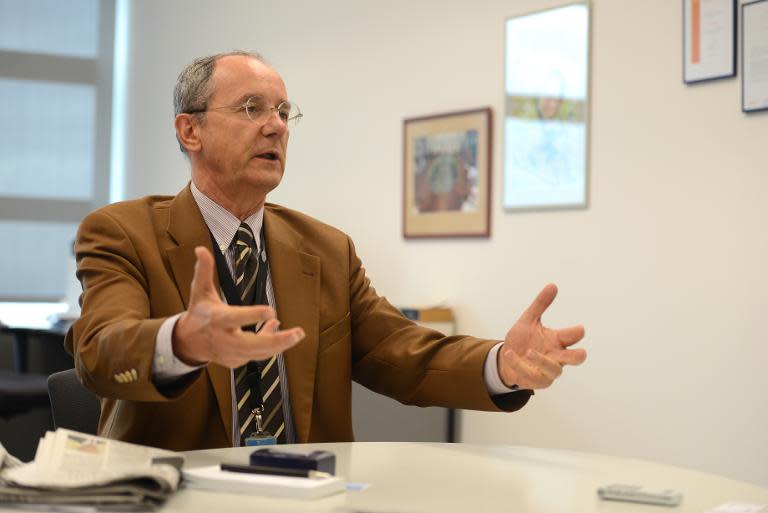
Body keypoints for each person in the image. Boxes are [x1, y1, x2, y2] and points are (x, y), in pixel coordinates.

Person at [65, 51, 587, 451]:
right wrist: (181, 340)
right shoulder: (122, 232)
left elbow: (405, 355)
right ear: (190, 129)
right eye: (251, 108)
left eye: (283, 112)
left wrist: (504, 364)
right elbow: (100, 351)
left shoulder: (326, 250)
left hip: (308, 496)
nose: (275, 125)